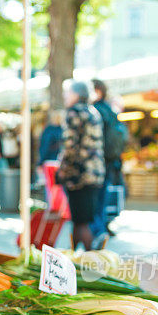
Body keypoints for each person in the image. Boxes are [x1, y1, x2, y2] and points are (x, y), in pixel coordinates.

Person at [56, 81, 105, 251]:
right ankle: (74, 258)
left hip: (79, 174)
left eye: (67, 92)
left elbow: (69, 146)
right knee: (79, 220)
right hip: (96, 173)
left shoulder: (74, 112)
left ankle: (92, 259)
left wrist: (61, 170)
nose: (65, 96)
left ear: (76, 94)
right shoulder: (93, 112)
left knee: (80, 221)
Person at [90, 79, 126, 242]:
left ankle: (97, 230)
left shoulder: (94, 111)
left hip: (98, 161)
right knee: (103, 196)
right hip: (112, 161)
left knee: (94, 197)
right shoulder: (110, 110)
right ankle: (102, 225)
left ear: (97, 91)